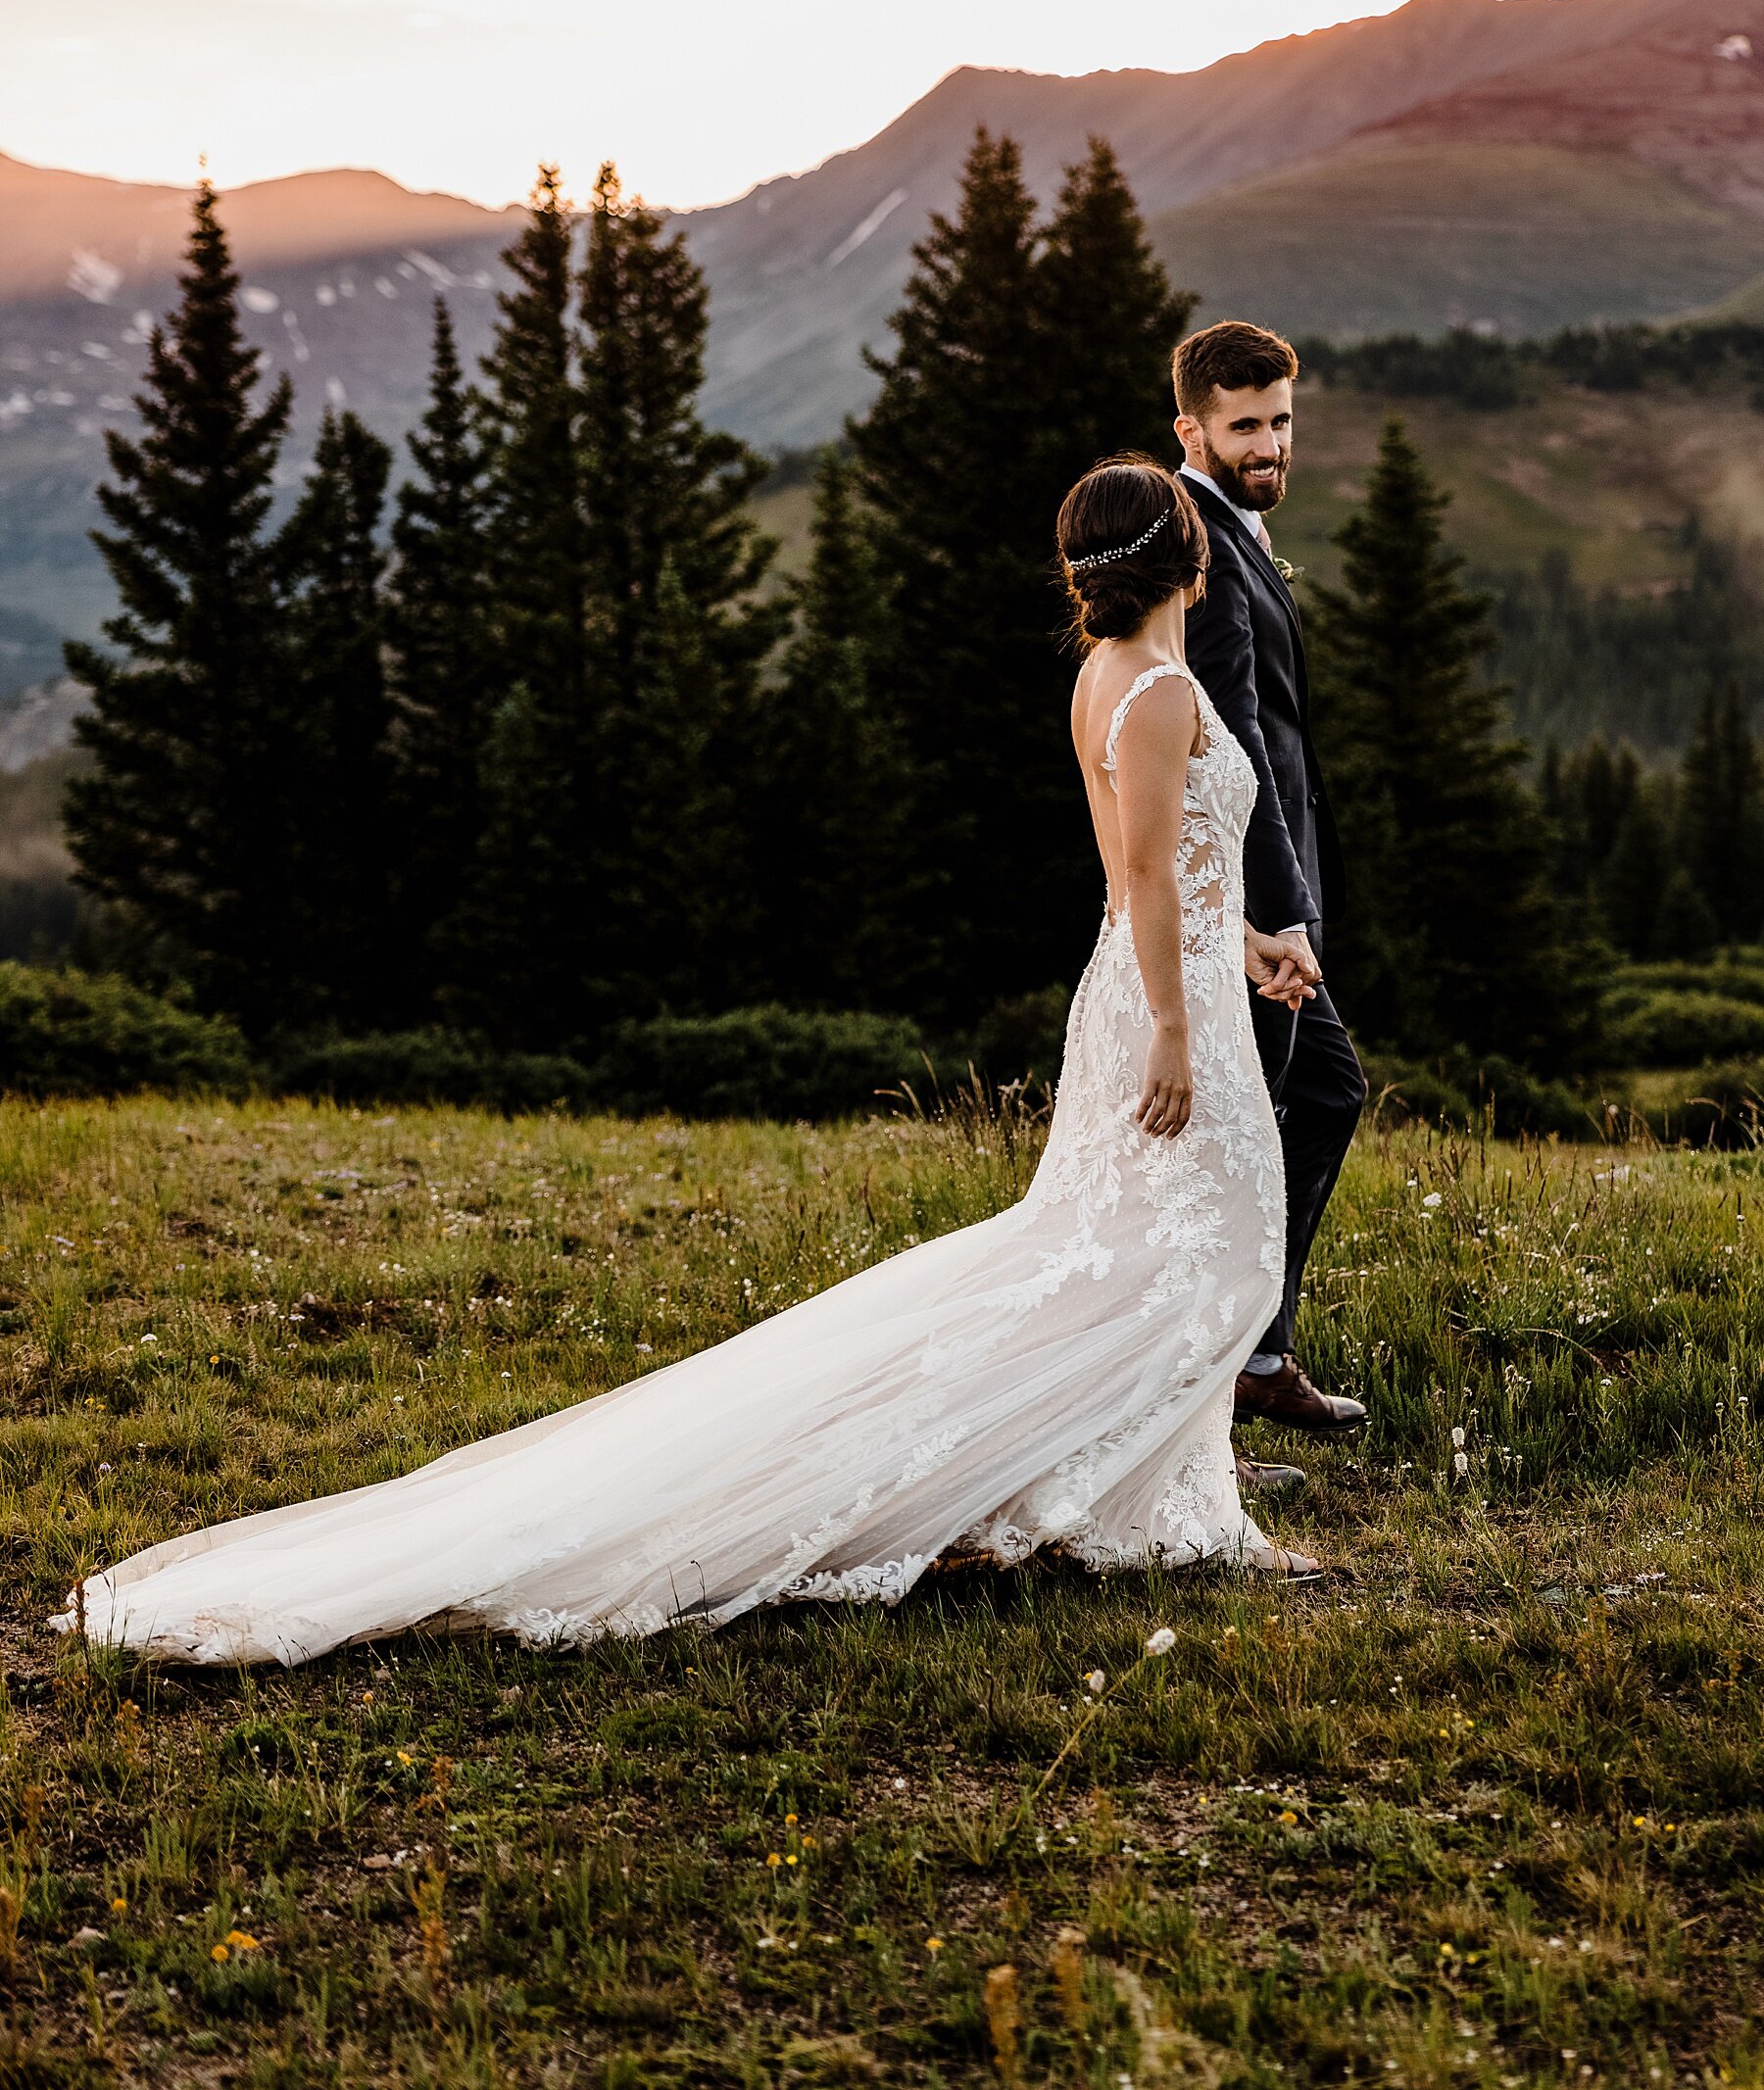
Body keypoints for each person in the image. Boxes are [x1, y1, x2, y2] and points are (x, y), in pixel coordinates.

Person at [59, 459, 1319, 1667]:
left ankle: (1145, 1497)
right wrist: (1171, 1021)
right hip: (1160, 1004)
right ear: (1189, 558)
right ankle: (1113, 1498)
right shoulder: (1151, 692)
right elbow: (1141, 871)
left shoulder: (1116, 673)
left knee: (1160, 1259)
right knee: (1188, 1257)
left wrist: (1249, 940)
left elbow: (1170, 872)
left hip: (1178, 975)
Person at [1174, 319, 1369, 1468]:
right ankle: (1217, 1386)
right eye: (1244, 425)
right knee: (1270, 1122)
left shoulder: (1240, 532)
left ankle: (1249, 1360)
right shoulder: (1201, 542)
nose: (1268, 443)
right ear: (1191, 427)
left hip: (1267, 896)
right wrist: (1280, 915)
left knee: (1312, 1100)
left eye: (1281, 421)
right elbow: (1238, 734)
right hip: (1247, 909)